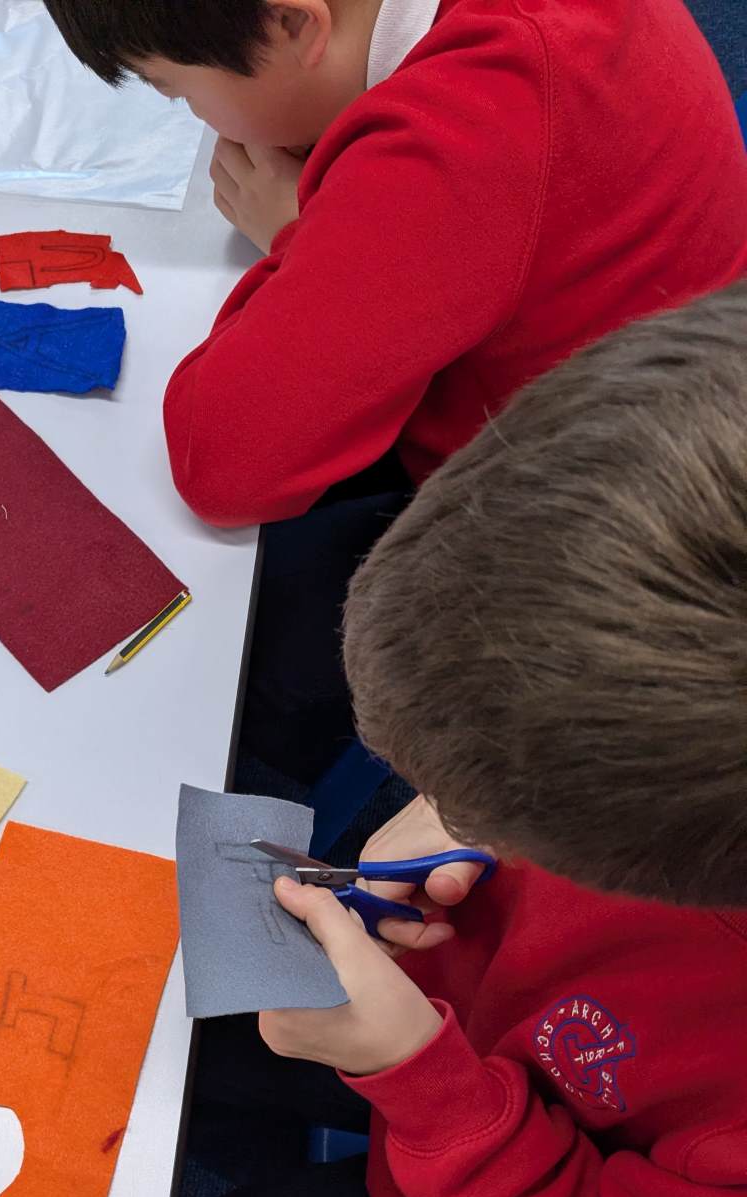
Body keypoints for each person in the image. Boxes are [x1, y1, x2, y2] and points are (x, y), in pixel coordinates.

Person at [159, 281, 747, 1197]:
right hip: (455, 1017)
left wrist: (428, 1091)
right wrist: (464, 816)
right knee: (135, 996)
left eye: (503, 806)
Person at [44, 0, 747, 783]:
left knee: (221, 684)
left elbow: (225, 460)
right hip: (679, 401)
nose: (195, 122)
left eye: (173, 90)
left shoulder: (462, 130)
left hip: (594, 559)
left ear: (294, 25)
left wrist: (302, 233)